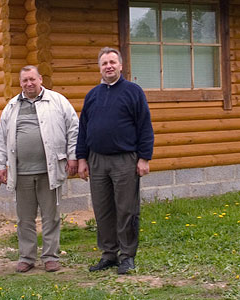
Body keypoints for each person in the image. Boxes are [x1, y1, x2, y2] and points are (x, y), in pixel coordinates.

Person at [0, 65, 79, 273]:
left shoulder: (57, 101)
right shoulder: (12, 106)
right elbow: (1, 138)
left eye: (32, 79)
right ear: (20, 83)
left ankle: (50, 256)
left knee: (51, 216)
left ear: (40, 79)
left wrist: (73, 156)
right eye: (25, 81)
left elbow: (73, 129)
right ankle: (27, 256)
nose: (29, 83)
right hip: (21, 172)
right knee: (24, 218)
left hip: (49, 170)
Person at [76, 47, 154, 275]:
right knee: (103, 210)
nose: (108, 66)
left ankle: (127, 256)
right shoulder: (92, 95)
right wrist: (82, 158)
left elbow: (145, 127)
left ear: (121, 65)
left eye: (112, 62)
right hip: (97, 160)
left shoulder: (133, 91)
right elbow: (83, 129)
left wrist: (144, 158)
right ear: (99, 67)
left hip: (125, 160)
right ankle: (108, 254)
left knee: (126, 209)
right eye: (104, 63)